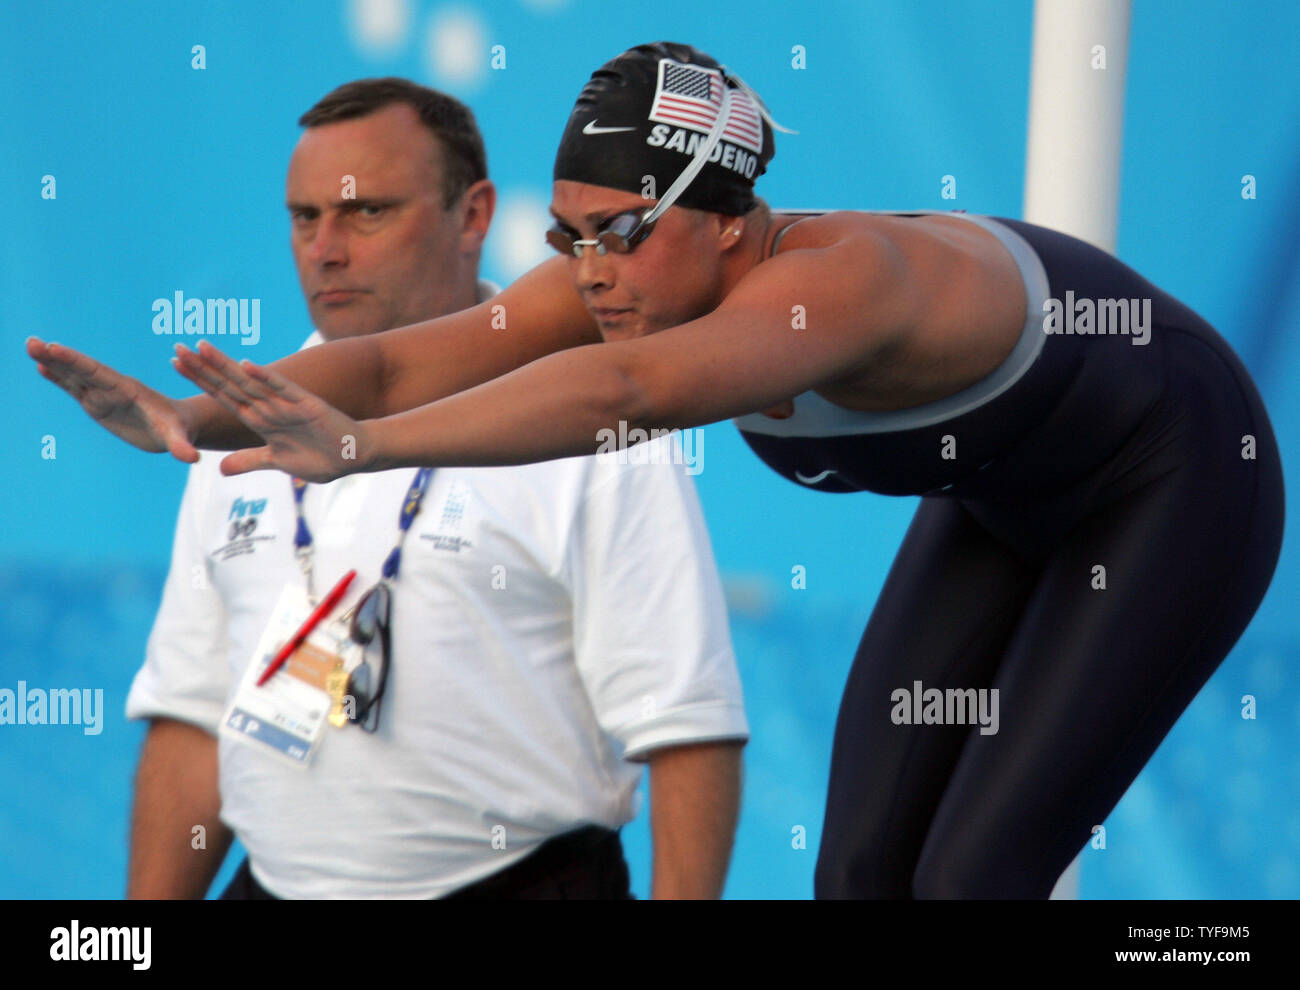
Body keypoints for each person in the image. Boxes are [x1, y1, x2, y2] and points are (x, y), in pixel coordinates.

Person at [29, 41, 1284, 899]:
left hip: (1171, 478)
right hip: (1005, 492)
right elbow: (417, 364)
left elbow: (625, 400)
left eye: (618, 235)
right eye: (567, 238)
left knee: (968, 880)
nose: (589, 272)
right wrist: (193, 420)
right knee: (857, 876)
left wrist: (356, 451)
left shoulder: (835, 286)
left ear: (727, 219)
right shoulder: (627, 279)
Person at [115, 76, 749, 900]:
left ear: (475, 215)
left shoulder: (590, 419)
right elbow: (195, 716)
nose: (326, 247)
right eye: (305, 218)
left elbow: (687, 724)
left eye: (366, 211)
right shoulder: (240, 422)